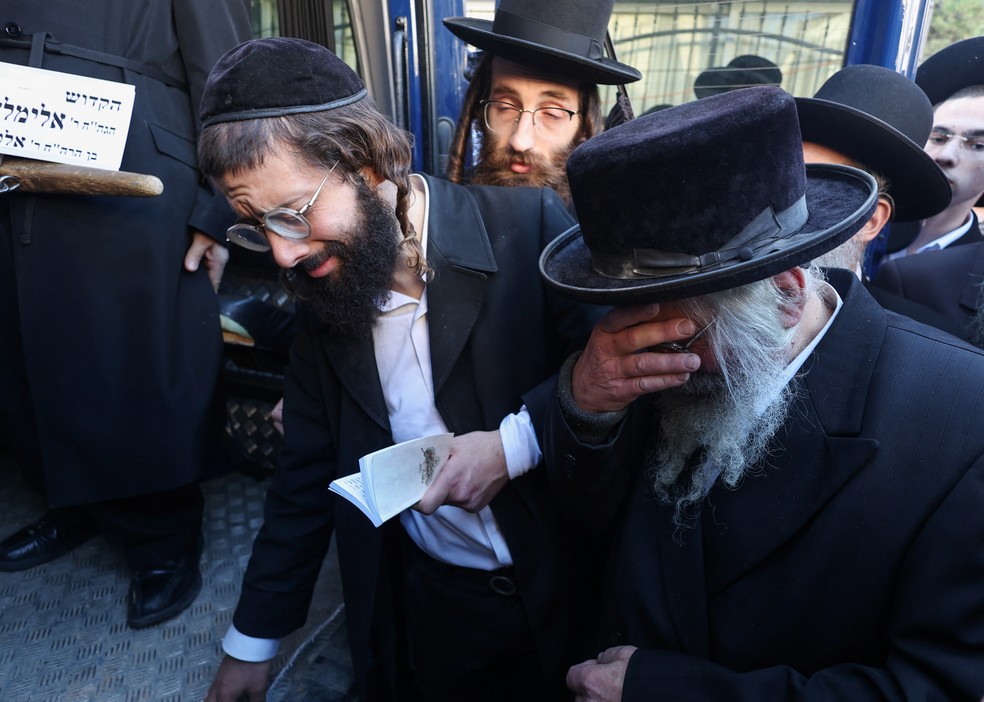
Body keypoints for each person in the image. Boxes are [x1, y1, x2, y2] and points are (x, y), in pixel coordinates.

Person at [537, 86, 984, 700]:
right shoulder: (643, 348)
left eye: (677, 331)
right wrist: (589, 407)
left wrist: (666, 691)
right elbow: (587, 527)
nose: (639, 345)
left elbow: (939, 685)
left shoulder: (960, 420)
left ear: (786, 292)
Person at [196, 38, 603, 702]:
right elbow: (302, 477)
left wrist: (515, 446)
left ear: (366, 161)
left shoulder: (531, 227)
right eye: (254, 226)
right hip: (437, 610)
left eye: (292, 214)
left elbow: (625, 398)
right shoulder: (324, 299)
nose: (282, 253)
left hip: (570, 603)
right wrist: (251, 645)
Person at [0, 1, 252, 628]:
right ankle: (73, 499)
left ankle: (160, 537)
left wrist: (221, 206)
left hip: (135, 167)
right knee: (26, 346)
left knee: (133, 355)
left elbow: (228, 65)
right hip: (12, 161)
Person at [794, 64, 965, 337]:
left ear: (870, 220)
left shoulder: (925, 342)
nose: (784, 205)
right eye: (784, 181)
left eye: (813, 187)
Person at [443, 0, 641, 205]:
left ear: (584, 126)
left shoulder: (612, 225)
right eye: (504, 107)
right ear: (478, 109)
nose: (520, 141)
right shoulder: (435, 212)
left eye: (552, 113)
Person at [883, 36, 984, 258]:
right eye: (938, 138)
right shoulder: (860, 227)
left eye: (977, 145)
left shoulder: (976, 271)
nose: (946, 156)